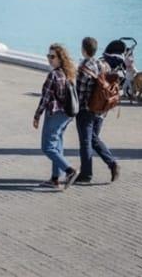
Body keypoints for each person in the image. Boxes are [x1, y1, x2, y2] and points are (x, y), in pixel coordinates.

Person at [75, 37, 120, 184]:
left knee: (86, 142)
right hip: (101, 110)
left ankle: (86, 174)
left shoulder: (83, 68)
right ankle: (112, 164)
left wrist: (73, 110)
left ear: (83, 50)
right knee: (94, 139)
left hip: (86, 110)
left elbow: (79, 94)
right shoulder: (103, 64)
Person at [33, 43, 78, 190]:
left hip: (55, 114)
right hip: (67, 114)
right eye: (48, 56)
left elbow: (45, 98)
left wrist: (37, 115)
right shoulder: (68, 73)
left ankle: (70, 171)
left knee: (47, 147)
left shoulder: (53, 75)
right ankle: (54, 179)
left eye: (53, 56)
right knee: (57, 145)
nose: (49, 59)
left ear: (60, 58)